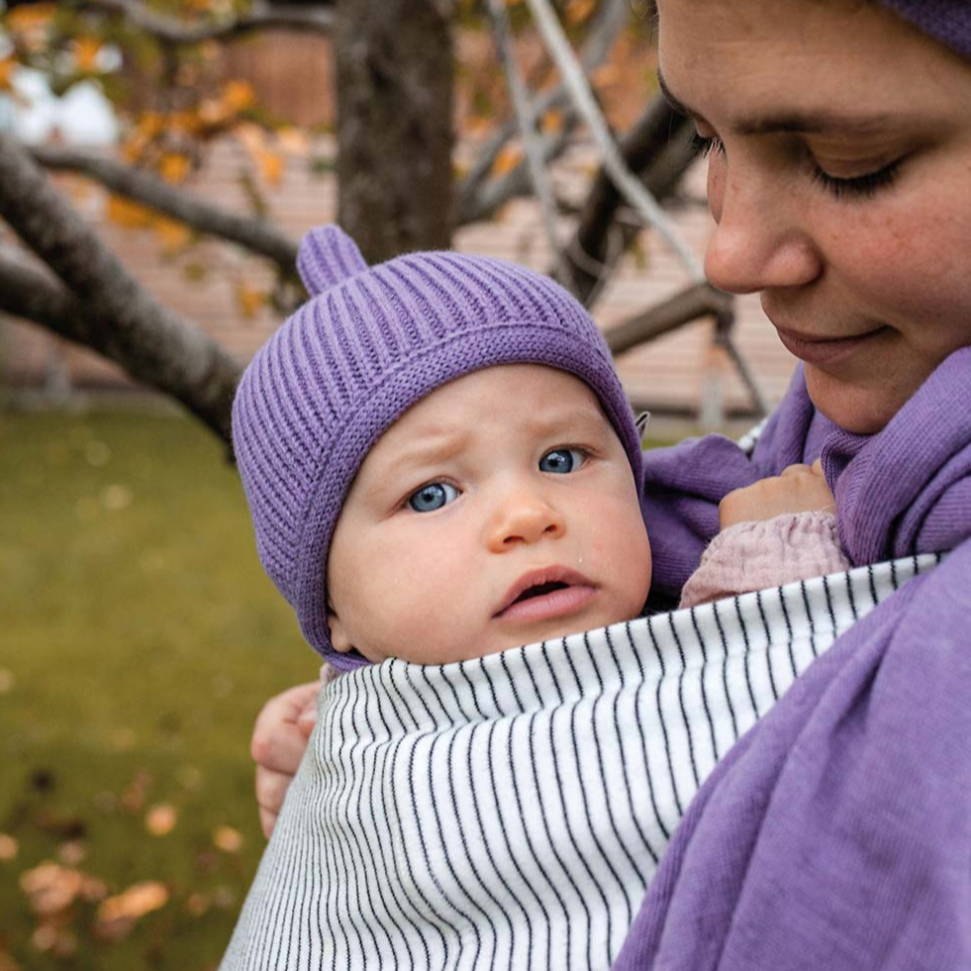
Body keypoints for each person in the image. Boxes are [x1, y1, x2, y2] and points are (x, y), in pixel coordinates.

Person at [251, 1, 971, 968]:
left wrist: (782, 597)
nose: (726, 259)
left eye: (849, 161)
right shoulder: (817, 447)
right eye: (703, 138)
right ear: (329, 610)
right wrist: (344, 730)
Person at [226, 224, 852, 968]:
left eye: (562, 458)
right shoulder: (367, 756)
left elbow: (780, 776)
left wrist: (764, 582)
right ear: (331, 611)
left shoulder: (704, 596)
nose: (527, 514)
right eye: (430, 494)